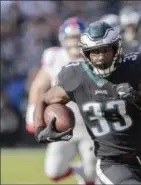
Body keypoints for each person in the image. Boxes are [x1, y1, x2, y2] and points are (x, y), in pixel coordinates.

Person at [34, 21, 141, 185]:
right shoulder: (75, 76)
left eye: (106, 50)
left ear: (116, 49)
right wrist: (40, 128)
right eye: (94, 52)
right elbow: (43, 98)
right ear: (85, 54)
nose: (101, 57)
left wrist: (138, 99)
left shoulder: (133, 69)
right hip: (111, 162)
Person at [26, 17, 96, 185]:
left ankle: (87, 174)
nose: (74, 43)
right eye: (70, 38)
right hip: (62, 123)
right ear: (63, 40)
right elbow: (39, 86)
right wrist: (32, 113)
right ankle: (78, 171)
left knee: (91, 174)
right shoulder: (54, 56)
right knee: (54, 172)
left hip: (91, 125)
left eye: (77, 38)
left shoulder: (95, 57)